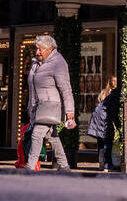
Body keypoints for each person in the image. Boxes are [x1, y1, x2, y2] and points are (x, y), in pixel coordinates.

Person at [25, 34, 76, 172]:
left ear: (50, 49)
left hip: (50, 106)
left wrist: (70, 112)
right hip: (37, 107)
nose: (37, 52)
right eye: (37, 49)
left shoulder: (58, 63)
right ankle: (64, 165)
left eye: (40, 49)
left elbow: (66, 89)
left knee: (37, 134)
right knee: (52, 136)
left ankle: (30, 167)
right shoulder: (36, 63)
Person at [87, 77, 120, 172]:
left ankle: (102, 164)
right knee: (107, 139)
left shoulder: (113, 94)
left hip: (98, 116)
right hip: (102, 118)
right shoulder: (116, 96)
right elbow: (114, 114)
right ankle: (107, 165)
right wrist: (119, 127)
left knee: (101, 141)